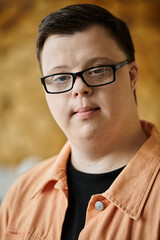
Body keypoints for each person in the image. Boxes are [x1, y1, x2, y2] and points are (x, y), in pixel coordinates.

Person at [0, 4, 159, 240]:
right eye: (61, 77)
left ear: (132, 76)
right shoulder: (21, 195)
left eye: (96, 70)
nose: (79, 88)